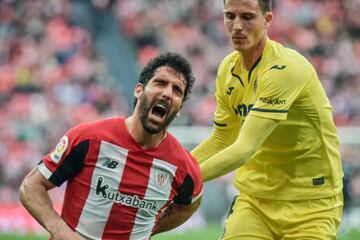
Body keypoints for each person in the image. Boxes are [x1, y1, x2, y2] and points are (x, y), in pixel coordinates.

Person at [191, 0, 343, 239]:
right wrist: (172, 169)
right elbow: (222, 138)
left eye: (247, 17)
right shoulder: (227, 69)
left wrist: (184, 180)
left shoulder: (285, 69)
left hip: (311, 204)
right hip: (255, 201)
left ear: (267, 20)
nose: (237, 26)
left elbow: (244, 149)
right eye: (230, 16)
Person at [19, 52, 203, 240]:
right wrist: (60, 230)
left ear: (179, 109)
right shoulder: (89, 138)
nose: (167, 94)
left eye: (177, 90)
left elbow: (188, 206)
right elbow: (31, 186)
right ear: (139, 90)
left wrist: (150, 229)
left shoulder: (184, 167)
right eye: (160, 83)